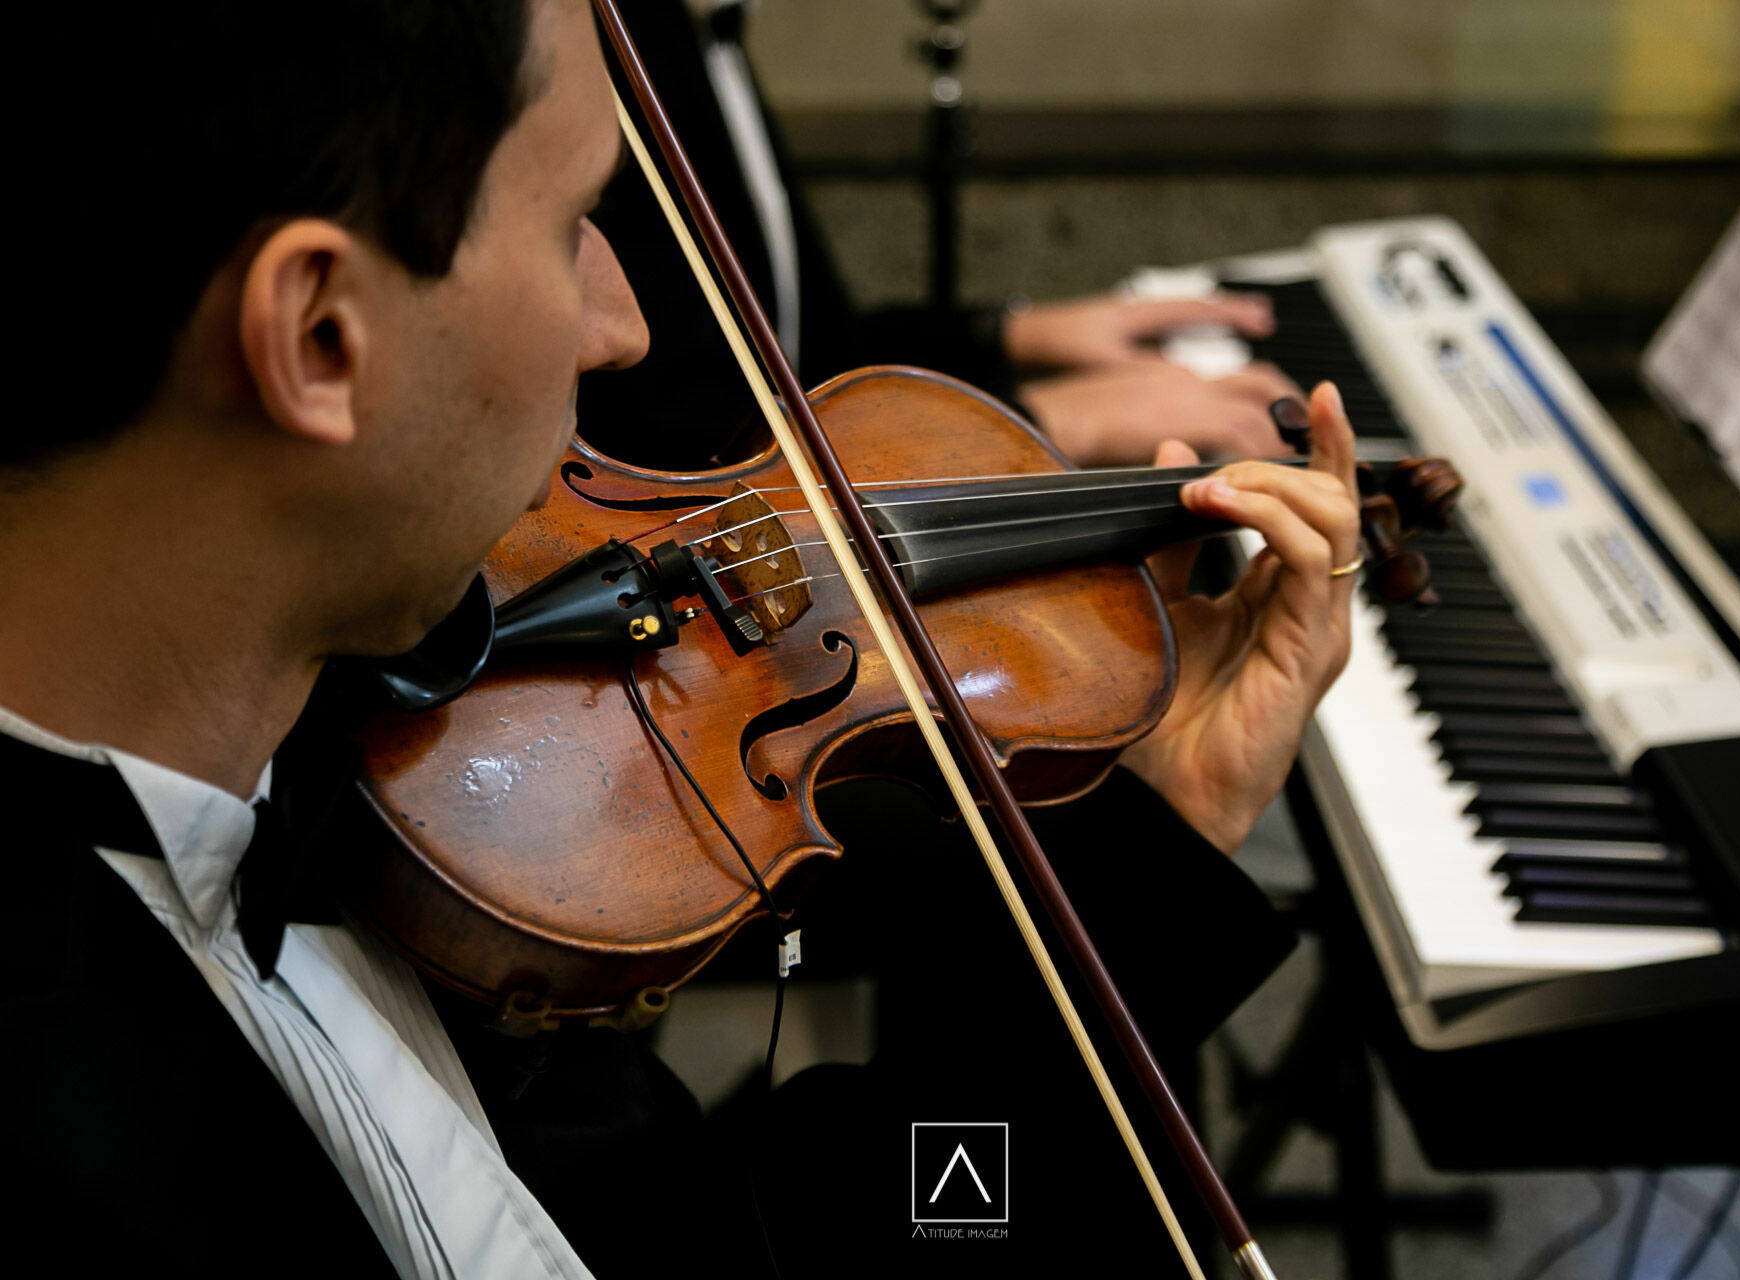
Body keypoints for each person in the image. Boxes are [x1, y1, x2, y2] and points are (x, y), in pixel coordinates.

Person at [1, 2, 1357, 1276]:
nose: (625, 327)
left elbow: (790, 1236)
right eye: (572, 227)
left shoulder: (370, 788)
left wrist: (1160, 837)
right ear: (317, 334)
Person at [580, 0, 1303, 476]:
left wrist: (1007, 337)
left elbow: (799, 364)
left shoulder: (685, 19)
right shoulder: (589, 40)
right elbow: (680, 456)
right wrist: (1052, 423)